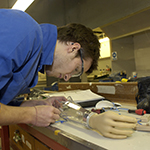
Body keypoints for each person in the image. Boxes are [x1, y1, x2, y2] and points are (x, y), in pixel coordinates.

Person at [0, 9, 137, 139]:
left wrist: (35, 105)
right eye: (76, 69)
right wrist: (31, 115)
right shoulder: (24, 30)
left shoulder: (32, 59)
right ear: (73, 48)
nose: (67, 77)